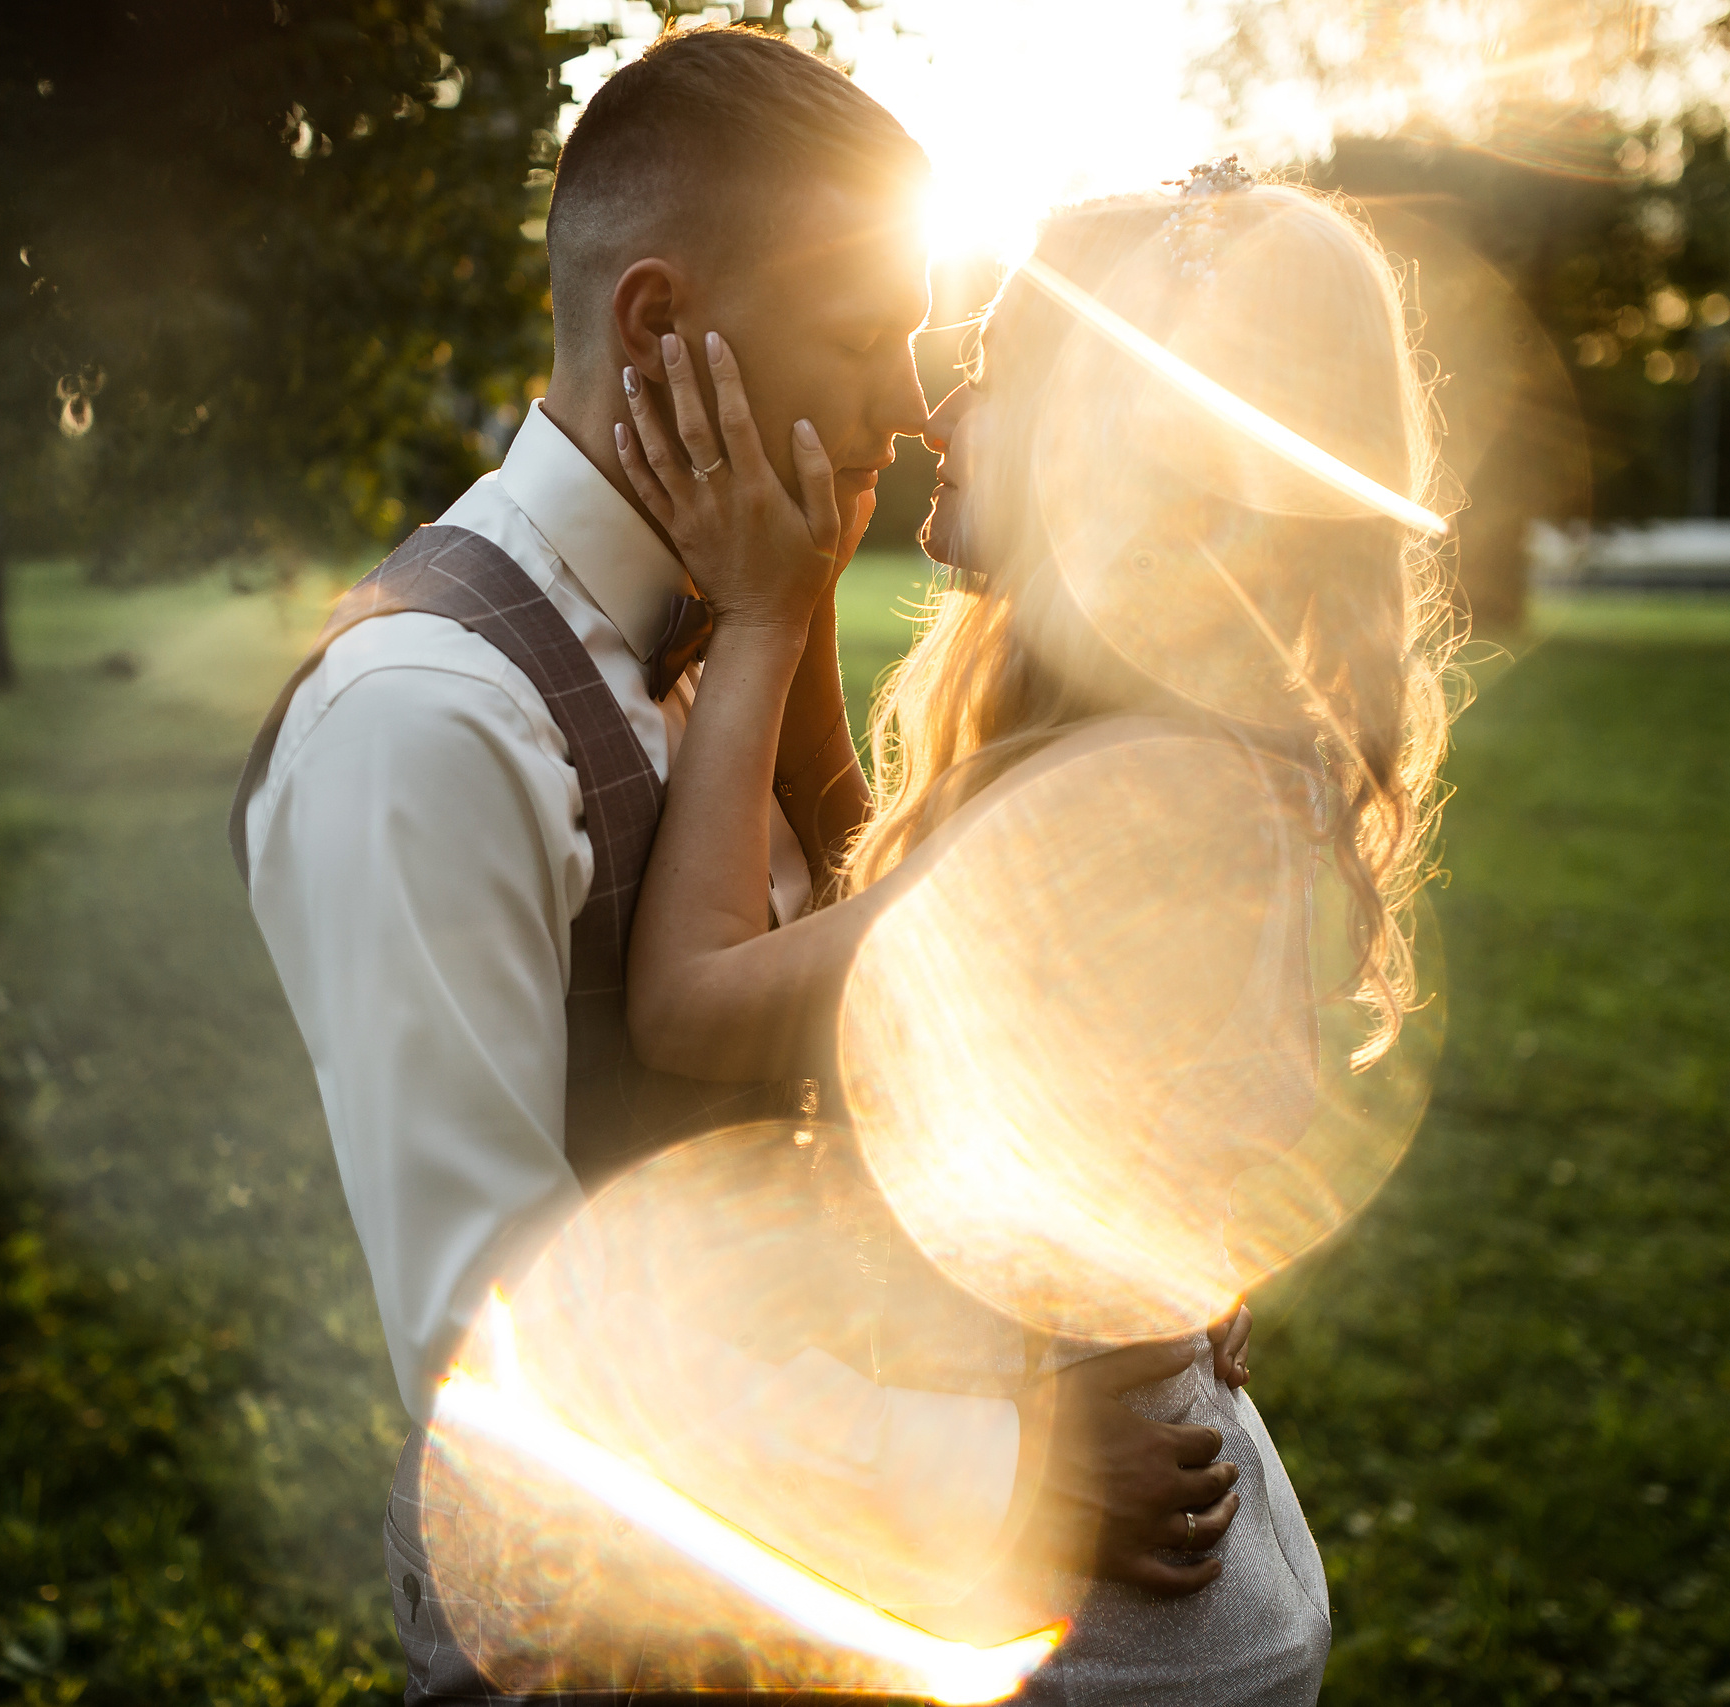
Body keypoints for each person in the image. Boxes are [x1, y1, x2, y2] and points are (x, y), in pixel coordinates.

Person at [232, 24, 1254, 1705]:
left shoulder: (740, 609)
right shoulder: (424, 723)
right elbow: (501, 1342)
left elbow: (866, 1001)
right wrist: (1003, 1476)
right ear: (658, 328)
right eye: (864, 338)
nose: (913, 408)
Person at [610, 169, 1456, 1705]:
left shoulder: (1127, 807)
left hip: (1095, 1633)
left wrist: (755, 621)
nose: (936, 411)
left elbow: (689, 1003)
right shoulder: (1179, 755)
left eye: (993, 367)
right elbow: (910, 937)